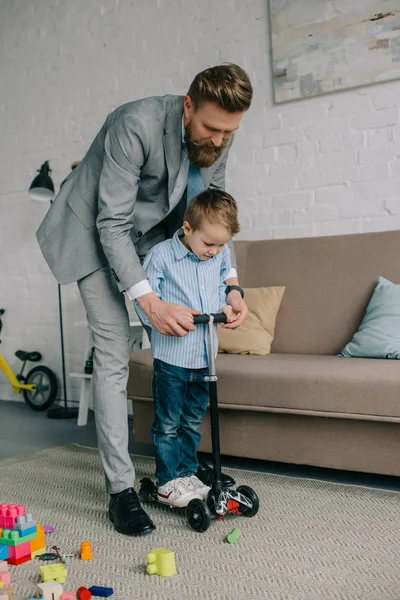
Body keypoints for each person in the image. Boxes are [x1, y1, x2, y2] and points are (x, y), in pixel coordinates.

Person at [36, 63, 252, 536]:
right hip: (94, 234)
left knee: (175, 351)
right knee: (115, 354)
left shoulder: (219, 134)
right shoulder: (134, 123)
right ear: (188, 105)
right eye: (211, 129)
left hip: (149, 242)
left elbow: (215, 207)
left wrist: (232, 285)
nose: (218, 142)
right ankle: (121, 491)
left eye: (228, 133)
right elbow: (110, 224)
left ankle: (177, 470)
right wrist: (149, 304)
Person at [135, 189, 239, 508]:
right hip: (172, 360)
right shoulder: (161, 256)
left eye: (221, 244)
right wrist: (161, 316)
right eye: (209, 243)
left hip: (205, 359)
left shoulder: (219, 255)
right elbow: (146, 305)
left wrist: (231, 300)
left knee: (192, 421)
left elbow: (227, 277)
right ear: (188, 228)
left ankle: (188, 472)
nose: (215, 251)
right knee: (168, 423)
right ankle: (168, 480)